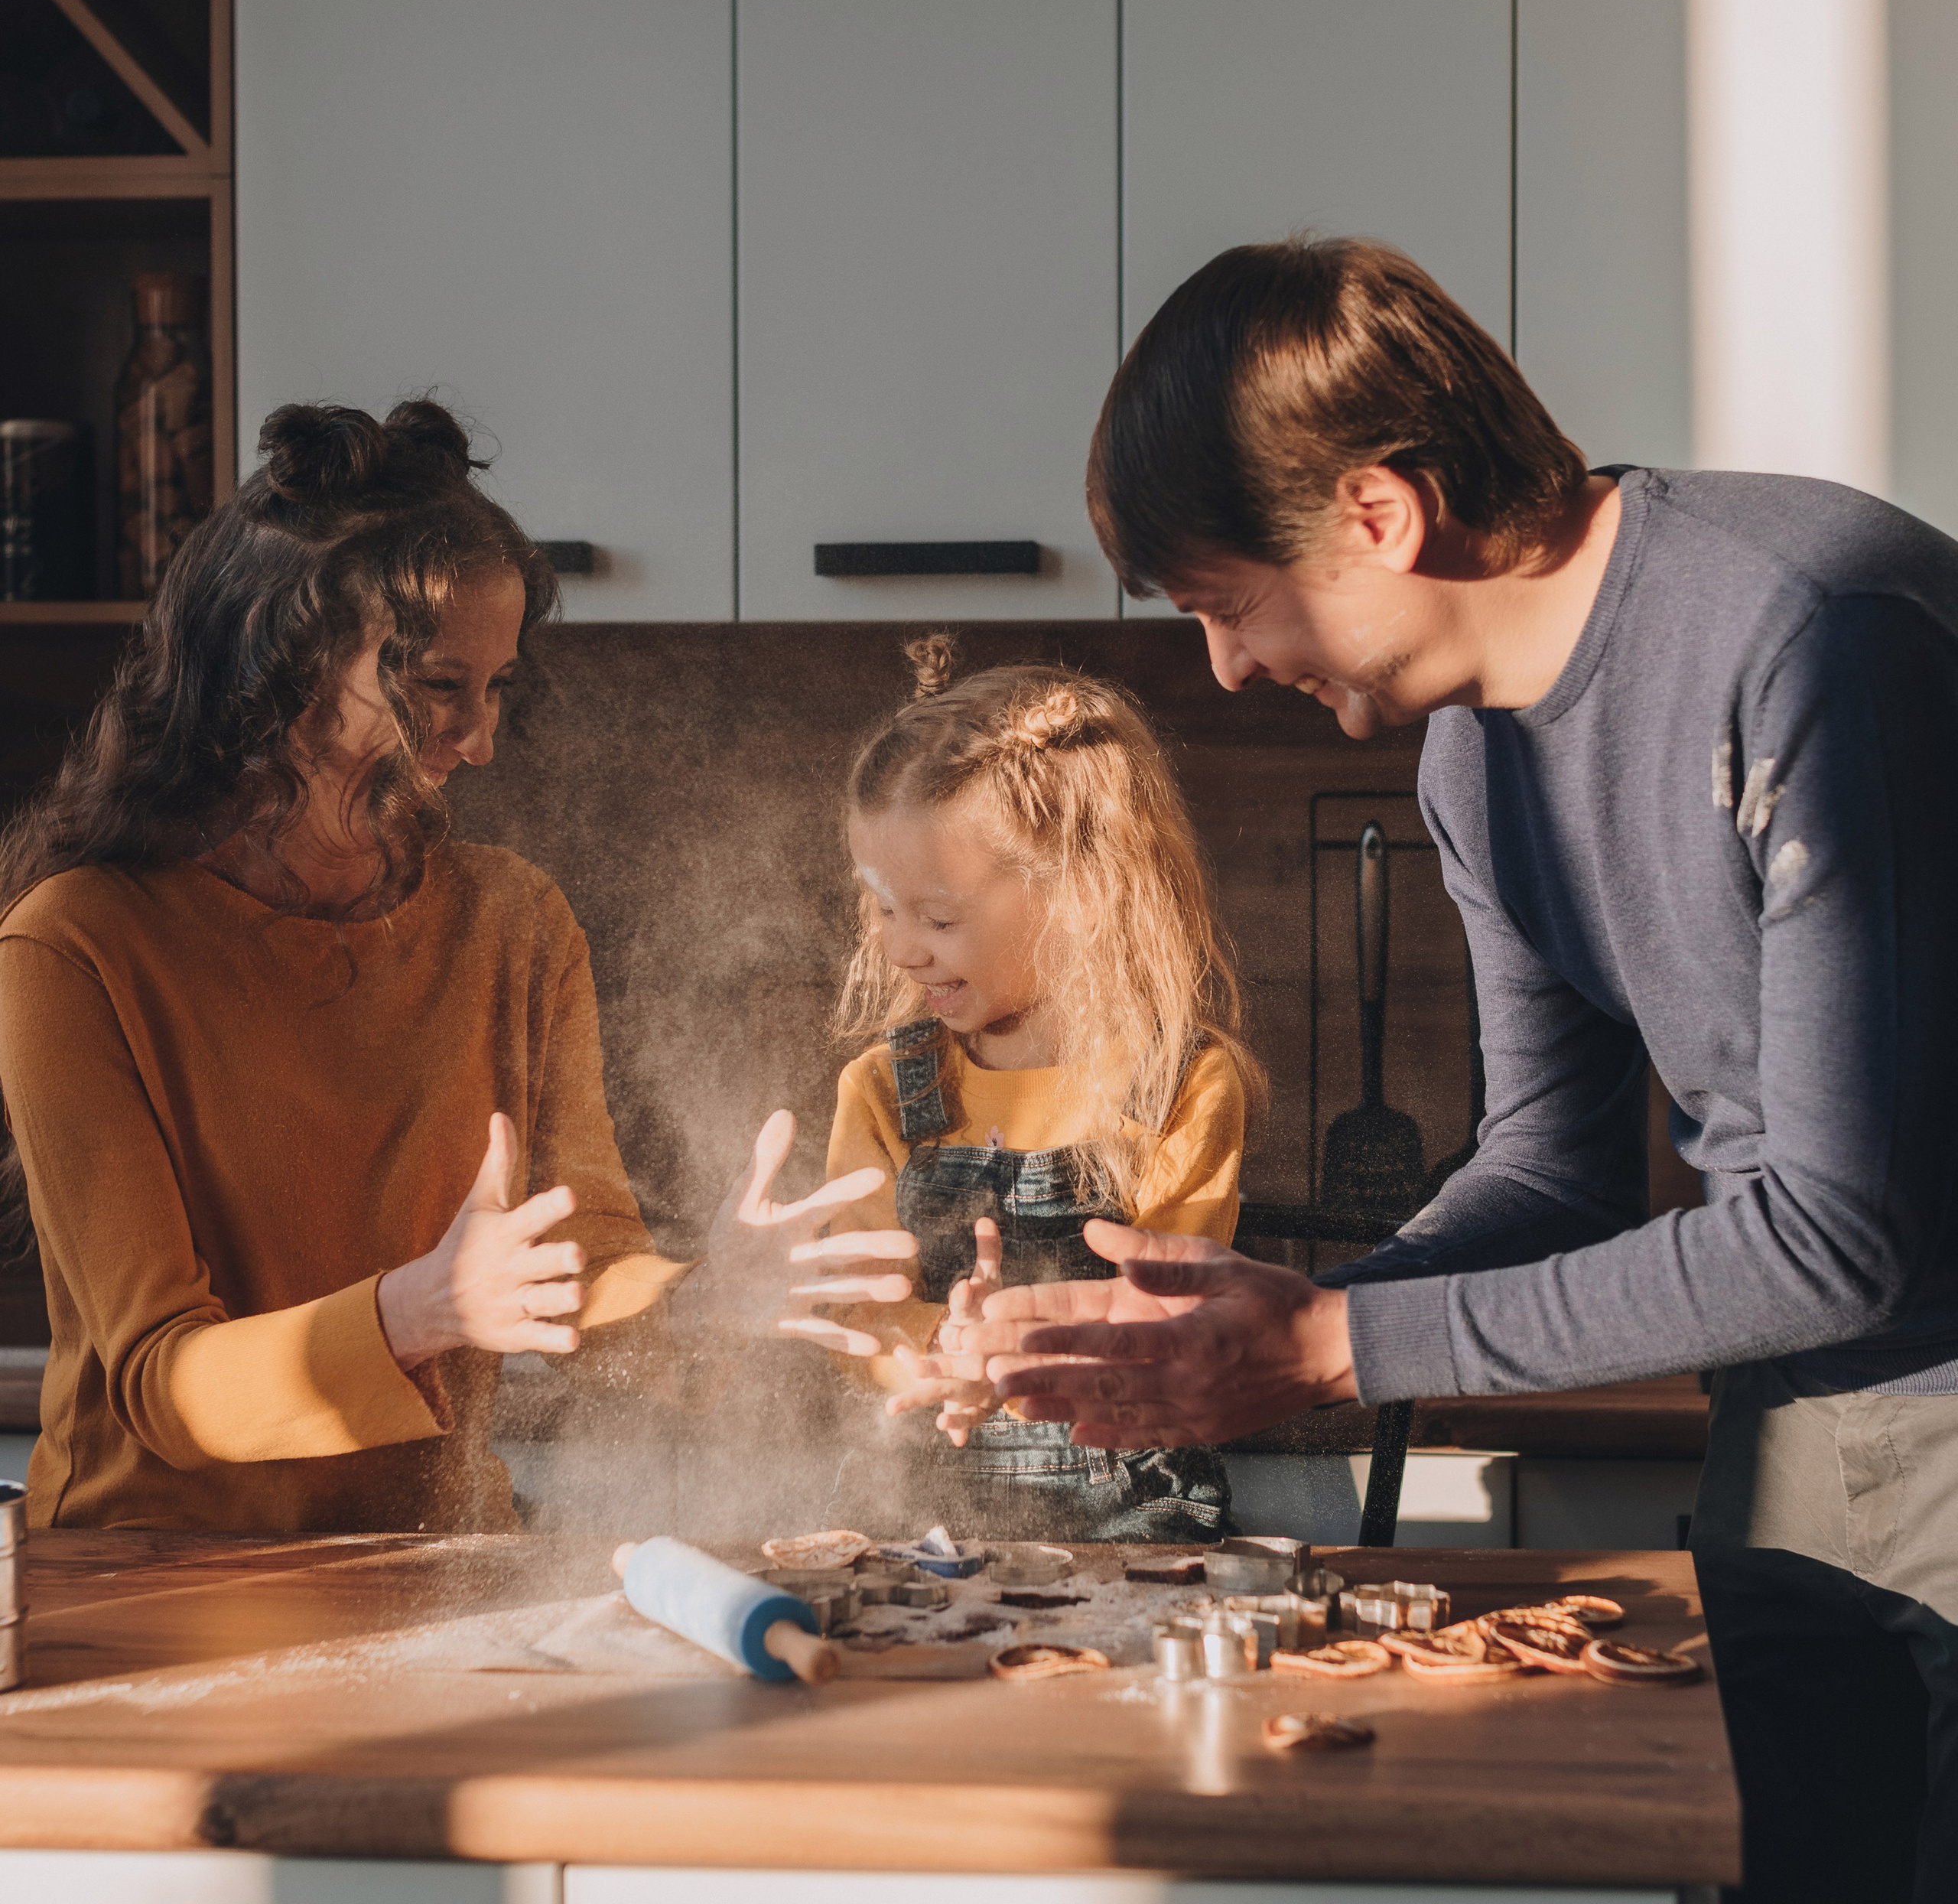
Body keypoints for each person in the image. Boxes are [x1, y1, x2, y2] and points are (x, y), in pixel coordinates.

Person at [963, 238, 1958, 1900]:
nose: (1223, 665)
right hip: (1792, 1415)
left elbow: (1830, 1231)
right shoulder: (1469, 762)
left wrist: (1336, 1342)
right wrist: (1288, 1309)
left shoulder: (1808, 634)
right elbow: (1550, 1164)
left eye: (1224, 603)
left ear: (1373, 512)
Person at [0, 399, 909, 1535]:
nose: (479, 738)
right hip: (149, 1589)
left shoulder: (512, 923)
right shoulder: (76, 946)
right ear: (277, 669)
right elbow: (161, 1385)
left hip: (432, 1563)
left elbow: (580, 1276)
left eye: (498, 687)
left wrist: (709, 1301)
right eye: (439, 685)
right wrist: (417, 1311)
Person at [811, 635, 1260, 1541]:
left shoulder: (1180, 1084)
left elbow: (1173, 1326)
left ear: (1079, 894)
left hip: (1133, 1517)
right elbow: (862, 1314)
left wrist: (1016, 1352)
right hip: (923, 1514)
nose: (901, 946)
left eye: (937, 916)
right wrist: (939, 1354)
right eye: (883, 907)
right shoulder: (884, 1091)